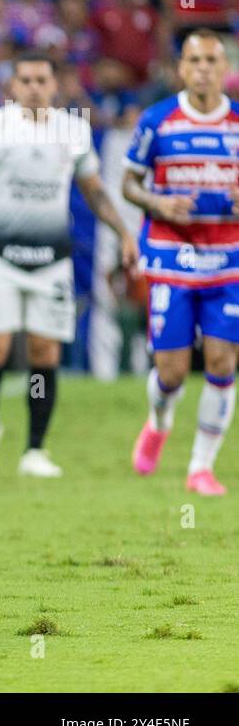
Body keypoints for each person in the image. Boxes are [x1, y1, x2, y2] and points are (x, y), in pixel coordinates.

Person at [0, 50, 138, 478]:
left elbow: (94, 191)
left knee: (43, 353)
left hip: (52, 260)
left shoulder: (72, 132)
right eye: (25, 80)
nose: (33, 88)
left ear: (55, 85)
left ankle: (34, 450)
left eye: (41, 80)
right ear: (13, 87)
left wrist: (125, 233)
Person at [122, 30, 239, 495]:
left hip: (228, 261)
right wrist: (158, 203)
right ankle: (158, 420)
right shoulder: (158, 120)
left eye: (213, 60)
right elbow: (128, 182)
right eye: (196, 60)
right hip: (172, 258)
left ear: (224, 66)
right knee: (170, 372)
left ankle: (200, 468)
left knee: (221, 361)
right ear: (182, 68)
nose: (205, 68)